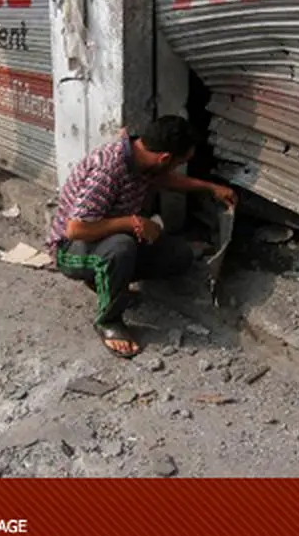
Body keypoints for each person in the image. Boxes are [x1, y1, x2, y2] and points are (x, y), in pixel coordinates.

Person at [48, 116, 237, 358]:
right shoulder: (108, 169)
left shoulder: (141, 156)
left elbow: (164, 178)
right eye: (181, 162)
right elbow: (75, 229)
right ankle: (109, 322)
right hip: (71, 249)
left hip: (106, 237)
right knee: (121, 247)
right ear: (165, 159)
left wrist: (210, 188)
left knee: (179, 256)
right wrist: (131, 222)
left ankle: (104, 280)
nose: (178, 168)